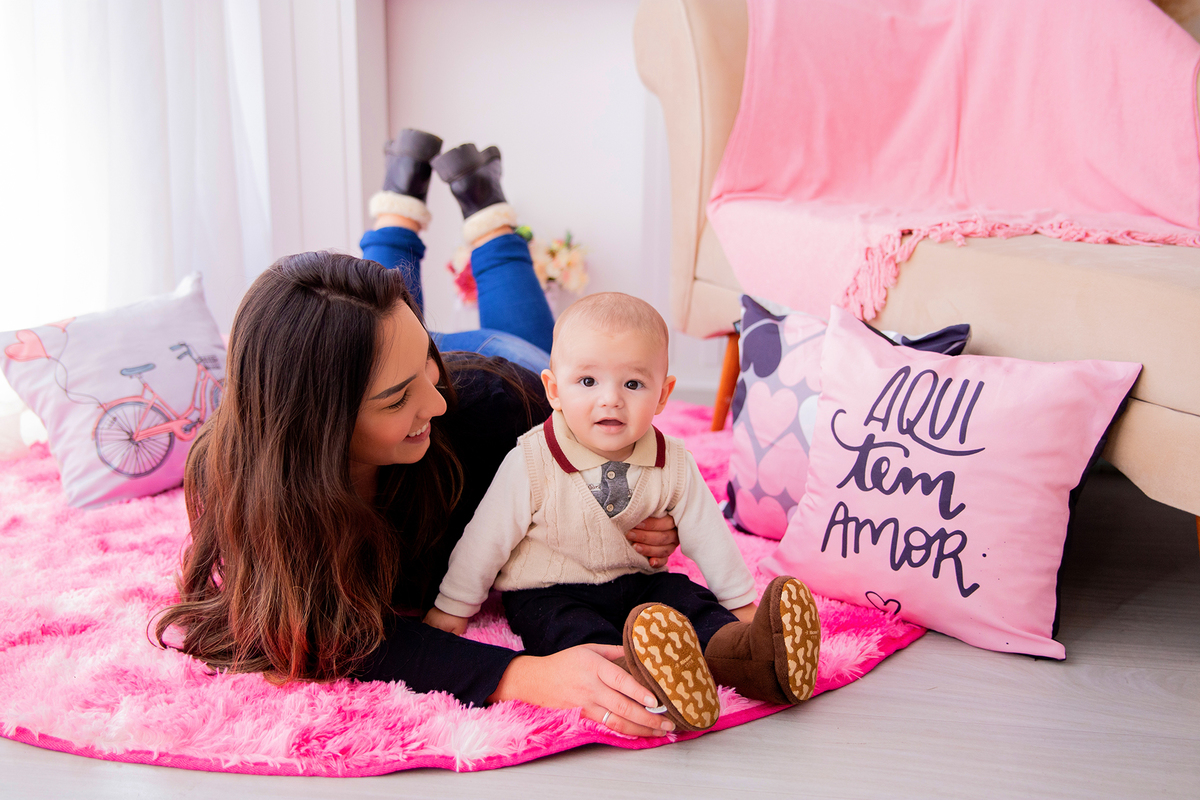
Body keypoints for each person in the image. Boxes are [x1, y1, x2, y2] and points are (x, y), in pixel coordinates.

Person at [154, 129, 686, 738]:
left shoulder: (496, 413)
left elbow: (619, 450)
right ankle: (440, 195)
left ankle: (476, 209)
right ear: (316, 433)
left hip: (497, 368)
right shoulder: (233, 471)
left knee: (535, 350)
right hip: (401, 365)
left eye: (425, 374)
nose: (433, 404)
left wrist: (648, 518)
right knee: (360, 334)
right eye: (397, 399)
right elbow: (323, 628)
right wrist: (525, 676)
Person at [424, 293, 822, 732]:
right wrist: (452, 607)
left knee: (688, 602)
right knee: (571, 633)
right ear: (554, 390)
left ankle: (756, 657)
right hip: (551, 591)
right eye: (588, 381)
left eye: (633, 384)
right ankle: (641, 679)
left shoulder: (673, 462)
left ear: (663, 394)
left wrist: (741, 605)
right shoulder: (532, 462)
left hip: (639, 579)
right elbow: (486, 539)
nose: (610, 399)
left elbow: (709, 537)